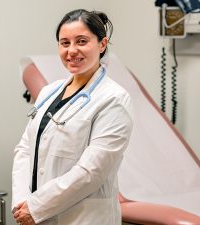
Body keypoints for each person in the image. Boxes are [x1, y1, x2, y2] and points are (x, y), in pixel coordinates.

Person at [12, 9, 133, 225]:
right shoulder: (50, 91)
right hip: (36, 214)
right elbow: (24, 149)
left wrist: (38, 206)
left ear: (102, 44)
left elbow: (91, 172)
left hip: (83, 218)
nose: (72, 50)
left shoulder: (114, 99)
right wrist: (23, 201)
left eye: (82, 41)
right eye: (64, 43)